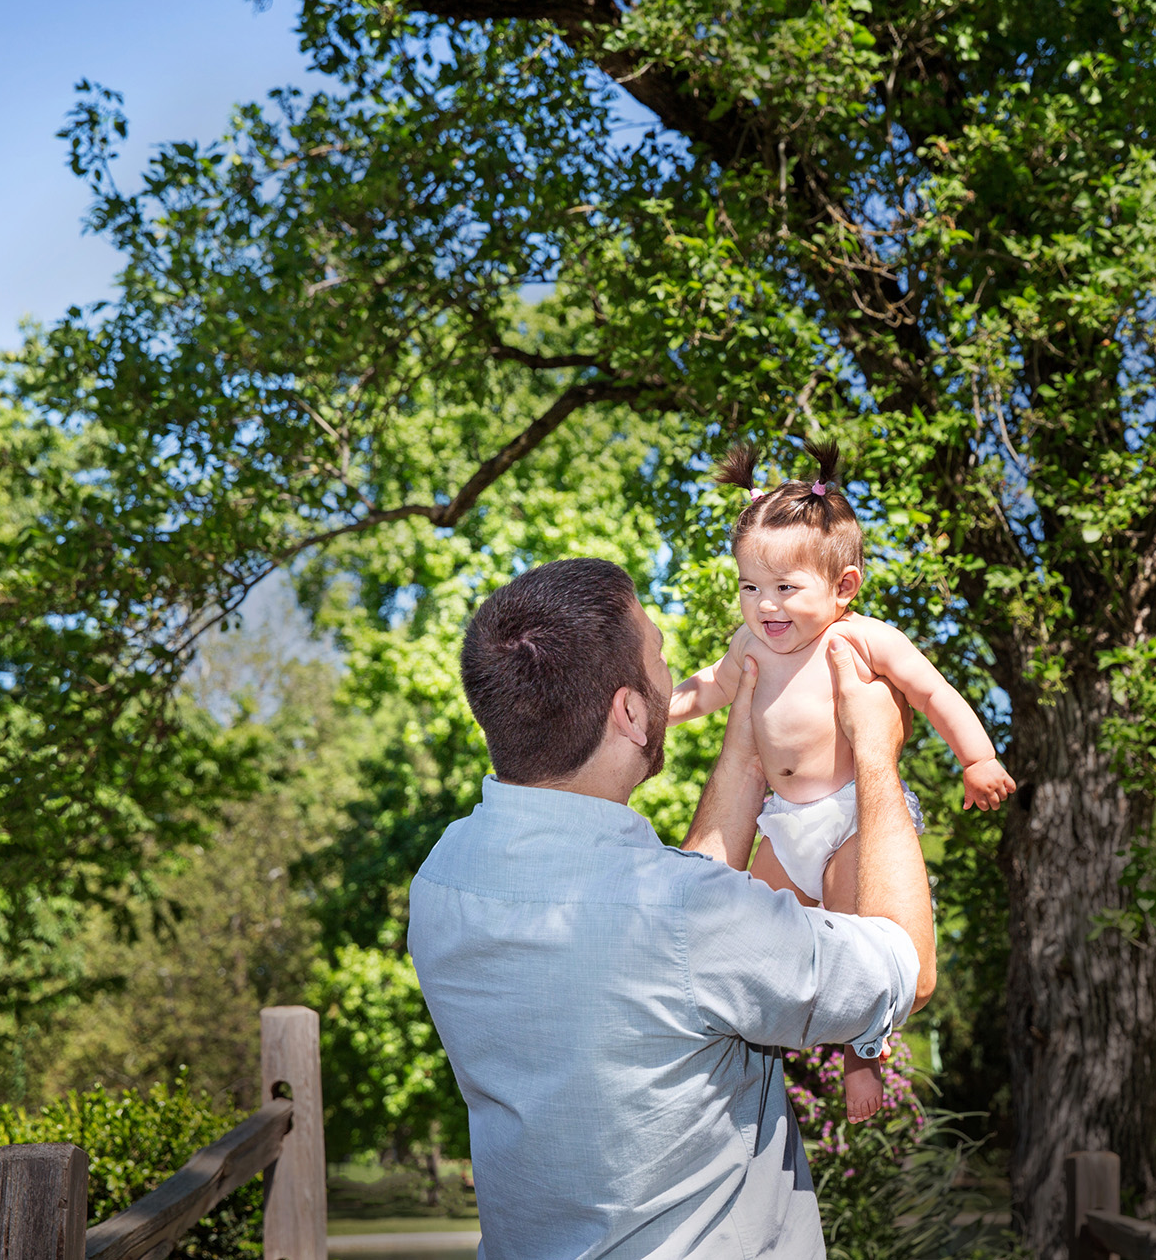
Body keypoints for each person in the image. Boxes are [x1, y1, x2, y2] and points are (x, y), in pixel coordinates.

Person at [409, 556, 935, 1259]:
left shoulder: (445, 875)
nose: (670, 675)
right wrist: (877, 752)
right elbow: (903, 966)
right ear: (628, 711)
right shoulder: (687, 916)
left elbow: (671, 943)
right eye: (657, 657)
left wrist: (746, 757)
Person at [667, 443, 1014, 1120]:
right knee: (740, 929)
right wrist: (660, 710)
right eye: (749, 587)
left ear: (843, 586)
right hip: (784, 821)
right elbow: (708, 688)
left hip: (856, 815)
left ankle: (863, 1059)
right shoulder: (750, 646)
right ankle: (755, 1053)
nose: (765, 605)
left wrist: (977, 757)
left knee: (859, 932)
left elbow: (933, 692)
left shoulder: (859, 640)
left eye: (785, 588)